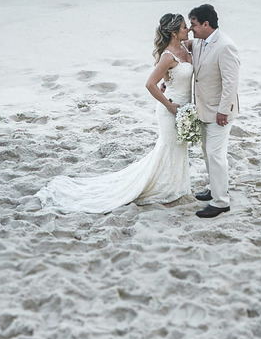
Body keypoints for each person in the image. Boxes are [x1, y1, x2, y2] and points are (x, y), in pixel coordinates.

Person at [37, 13, 193, 213]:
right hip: (170, 108)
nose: (187, 29)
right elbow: (149, 84)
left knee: (179, 147)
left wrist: (168, 82)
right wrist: (169, 105)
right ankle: (163, 187)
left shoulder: (184, 47)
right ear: (173, 33)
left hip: (183, 107)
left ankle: (175, 185)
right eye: (183, 27)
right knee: (168, 147)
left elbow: (174, 75)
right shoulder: (167, 56)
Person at [186, 4, 240, 218]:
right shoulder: (199, 42)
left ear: (206, 24)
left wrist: (223, 111)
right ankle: (214, 188)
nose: (191, 29)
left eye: (194, 24)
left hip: (219, 112)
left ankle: (221, 202)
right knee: (208, 153)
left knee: (215, 155)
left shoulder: (226, 46)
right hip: (203, 109)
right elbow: (182, 45)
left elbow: (231, 82)